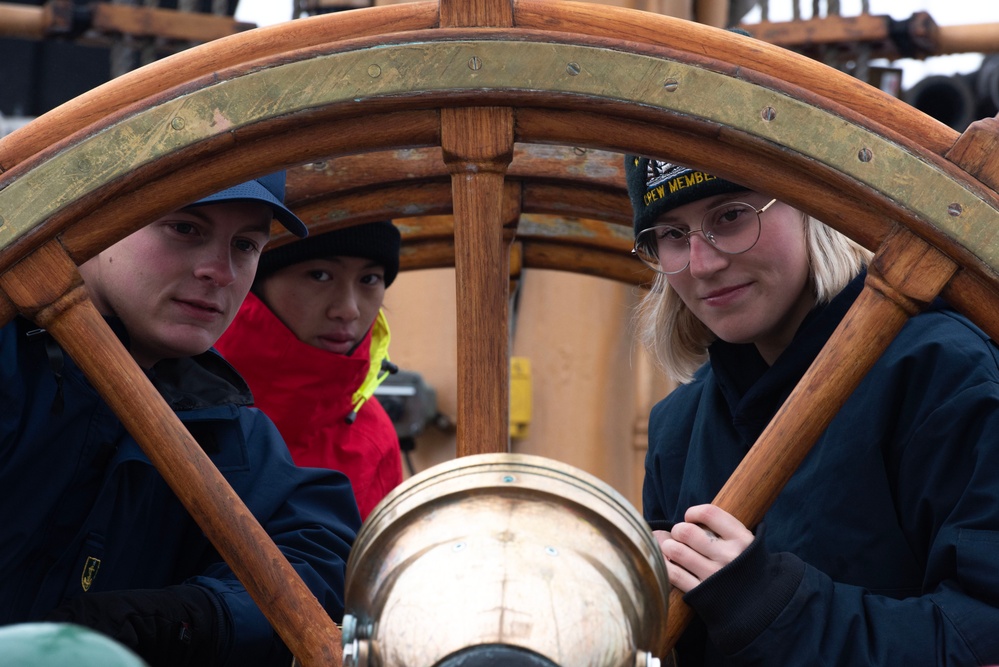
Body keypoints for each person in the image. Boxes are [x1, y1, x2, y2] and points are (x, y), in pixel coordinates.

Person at [625, 154, 999, 665]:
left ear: (814, 208)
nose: (702, 263)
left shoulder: (942, 372)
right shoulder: (678, 428)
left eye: (731, 215)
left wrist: (771, 607)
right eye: (671, 234)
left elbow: (984, 637)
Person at [0, 172, 362, 667]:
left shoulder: (227, 432)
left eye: (246, 245)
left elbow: (319, 555)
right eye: (185, 229)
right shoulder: (11, 373)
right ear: (88, 222)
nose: (222, 272)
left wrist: (196, 617)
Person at [214, 221, 404, 520]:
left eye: (369, 279)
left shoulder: (374, 436)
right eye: (319, 275)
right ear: (256, 279)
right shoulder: (168, 392)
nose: (348, 309)